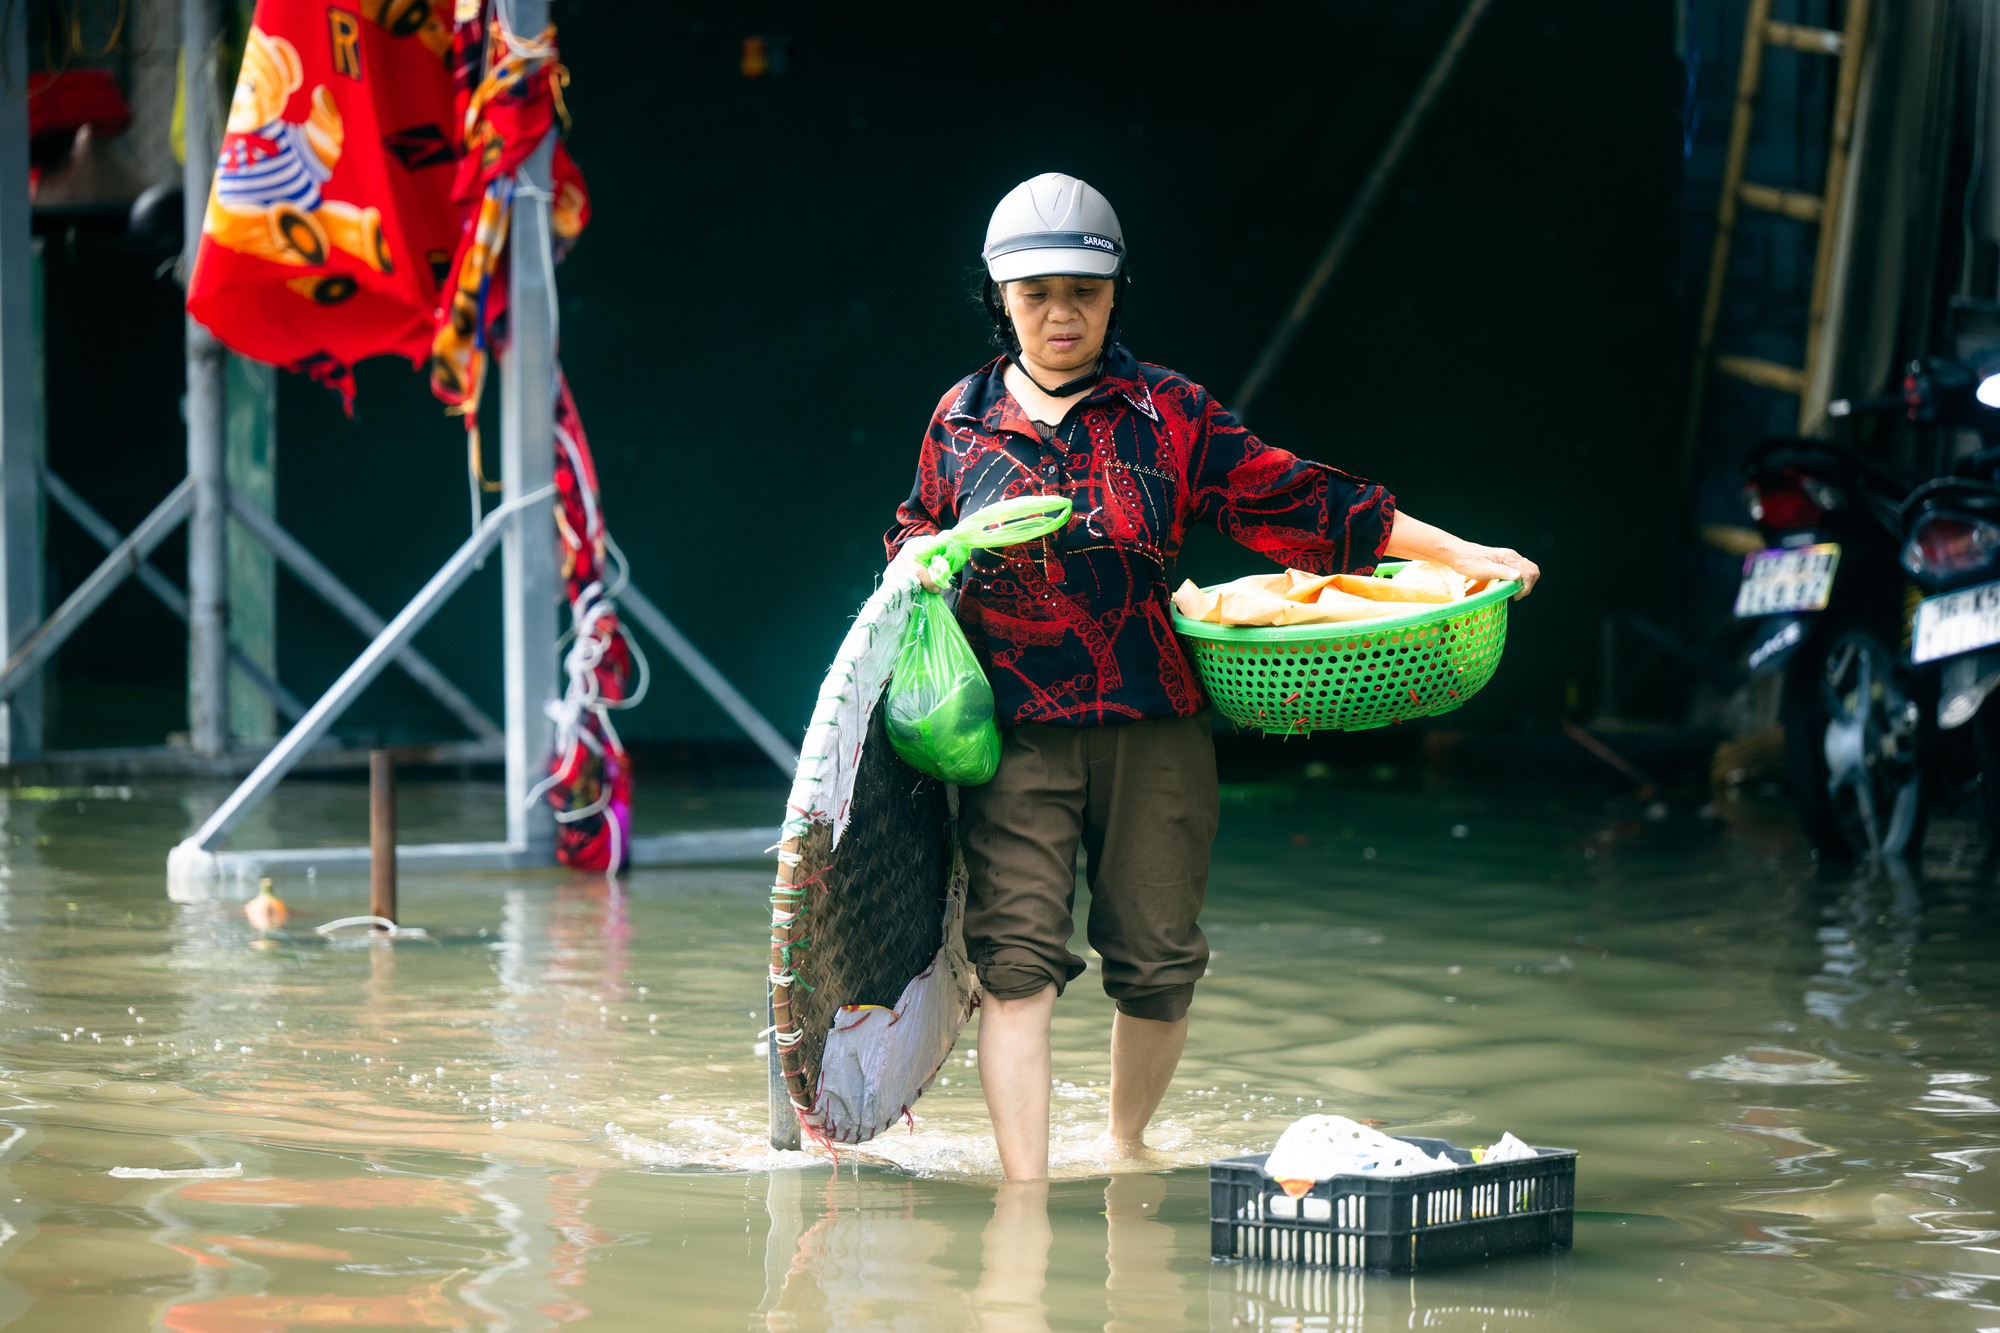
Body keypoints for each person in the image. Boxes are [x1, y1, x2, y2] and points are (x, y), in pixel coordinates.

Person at [886, 173, 1542, 1181]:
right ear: (997, 297)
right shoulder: (957, 420)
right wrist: (914, 558)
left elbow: (1300, 501)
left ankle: (1121, 1150)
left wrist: (1457, 552)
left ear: (1115, 294)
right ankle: (1022, 1204)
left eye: (1084, 292)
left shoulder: (1166, 411)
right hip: (1013, 733)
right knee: (1016, 966)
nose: (1061, 313)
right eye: (1035, 293)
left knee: (1155, 963)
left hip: (1154, 727)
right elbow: (911, 535)